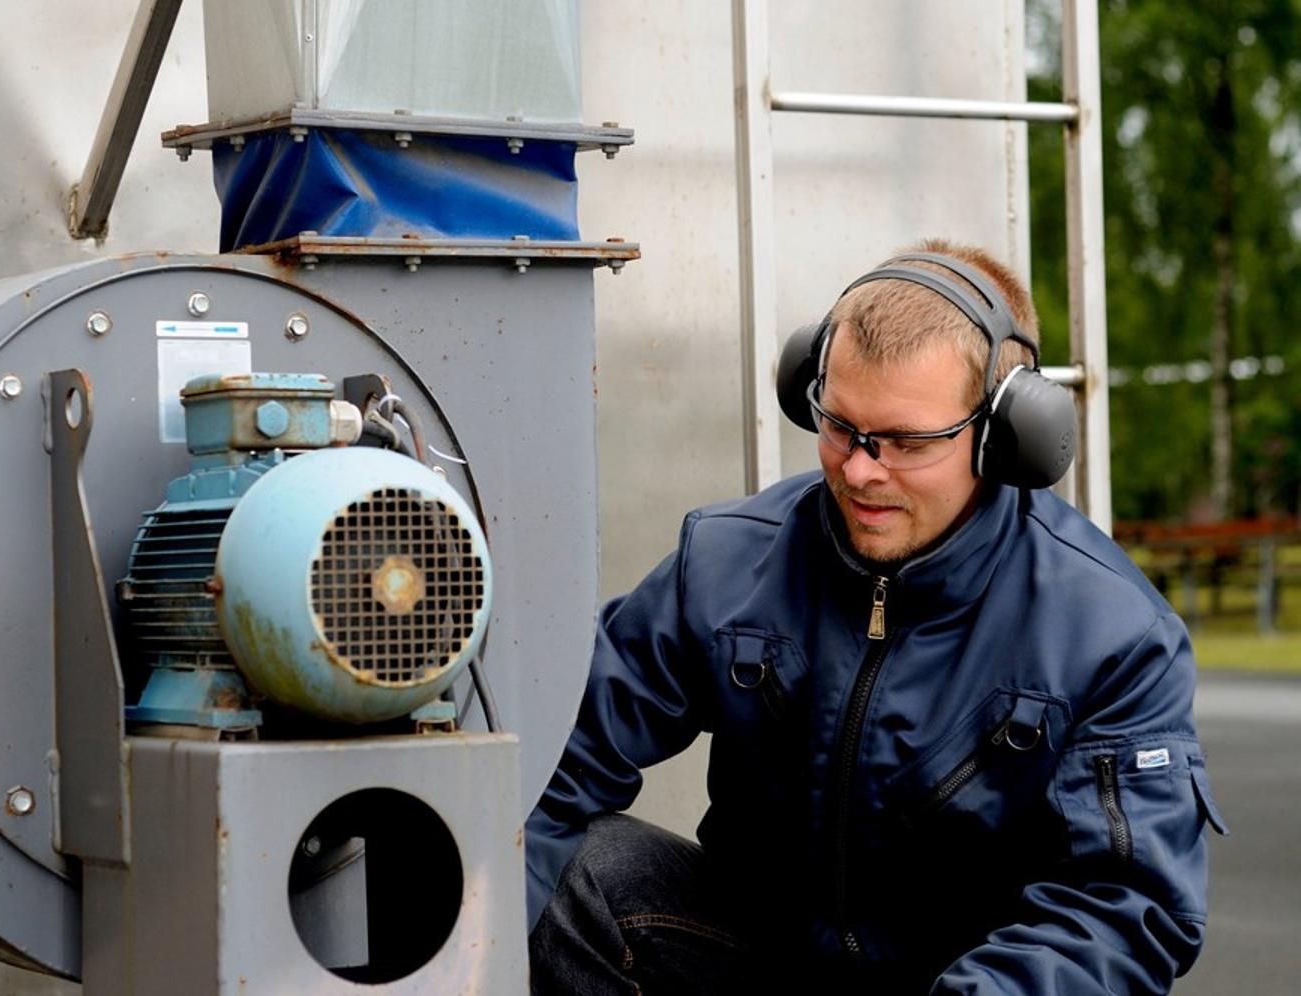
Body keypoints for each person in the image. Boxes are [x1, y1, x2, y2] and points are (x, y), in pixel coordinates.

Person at [523, 240, 1227, 994]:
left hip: (967, 985)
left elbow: (1124, 907)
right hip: (761, 963)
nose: (859, 470)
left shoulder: (1113, 636)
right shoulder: (726, 563)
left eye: (906, 441)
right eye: (840, 425)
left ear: (1005, 435)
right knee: (580, 866)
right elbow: (552, 769)